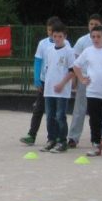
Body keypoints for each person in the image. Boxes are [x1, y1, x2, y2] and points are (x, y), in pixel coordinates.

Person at [20, 16, 68, 145]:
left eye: (53, 31)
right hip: (45, 81)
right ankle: (32, 134)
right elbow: (38, 61)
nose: (51, 34)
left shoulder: (66, 44)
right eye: (49, 31)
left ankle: (56, 137)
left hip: (58, 83)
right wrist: (37, 79)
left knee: (57, 113)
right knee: (39, 109)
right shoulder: (43, 43)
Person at [72, 26, 102, 156]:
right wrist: (81, 79)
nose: (96, 39)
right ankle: (96, 145)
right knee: (94, 120)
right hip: (92, 92)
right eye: (93, 37)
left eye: (99, 36)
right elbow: (76, 65)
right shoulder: (88, 51)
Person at [67, 14, 102, 148]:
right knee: (79, 109)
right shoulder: (82, 41)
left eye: (96, 24)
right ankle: (73, 137)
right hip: (86, 80)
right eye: (91, 24)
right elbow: (75, 62)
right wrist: (77, 79)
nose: (93, 26)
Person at [40, 23, 75, 153]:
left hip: (62, 90)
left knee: (60, 116)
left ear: (65, 36)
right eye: (55, 36)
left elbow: (72, 71)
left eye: (60, 36)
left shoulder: (69, 51)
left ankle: (62, 141)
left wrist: (62, 84)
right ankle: (51, 139)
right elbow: (48, 68)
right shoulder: (49, 50)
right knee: (50, 115)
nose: (57, 39)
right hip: (49, 89)